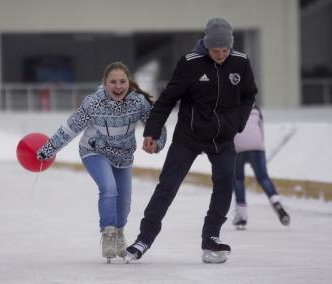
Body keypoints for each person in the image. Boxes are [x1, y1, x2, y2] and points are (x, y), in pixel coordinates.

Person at [125, 18, 257, 264]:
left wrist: (237, 123)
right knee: (168, 185)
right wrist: (151, 132)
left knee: (225, 183)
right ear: (206, 45)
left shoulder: (241, 62)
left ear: (231, 46)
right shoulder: (190, 64)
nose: (220, 55)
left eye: (224, 50)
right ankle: (144, 238)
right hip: (189, 136)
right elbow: (167, 100)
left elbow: (249, 94)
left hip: (223, 138)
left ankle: (212, 237)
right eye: (215, 50)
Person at [36, 61, 167, 263]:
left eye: (122, 81)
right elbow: (70, 127)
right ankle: (108, 234)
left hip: (123, 156)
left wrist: (156, 142)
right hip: (93, 150)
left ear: (128, 82)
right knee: (108, 188)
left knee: (123, 202)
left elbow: (156, 123)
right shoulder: (93, 103)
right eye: (113, 82)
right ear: (105, 83)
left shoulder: (138, 102)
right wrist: (49, 148)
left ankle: (119, 232)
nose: (118, 86)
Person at [232, 105, 290, 229]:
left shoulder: (230, 104)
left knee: (238, 178)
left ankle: (242, 215)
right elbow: (260, 129)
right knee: (263, 177)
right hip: (257, 146)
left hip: (238, 146)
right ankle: (276, 202)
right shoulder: (256, 109)